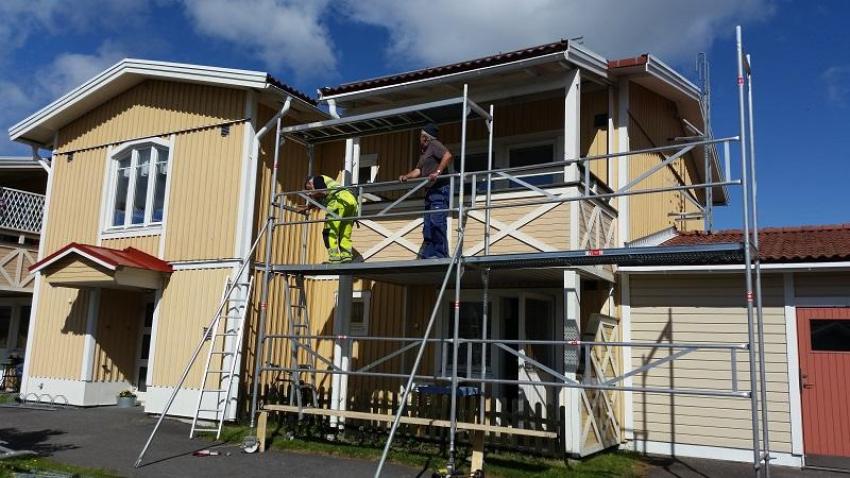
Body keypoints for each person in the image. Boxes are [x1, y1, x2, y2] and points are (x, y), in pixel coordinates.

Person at [399, 123, 454, 259]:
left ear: (425, 137)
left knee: (437, 221)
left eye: (420, 136)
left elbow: (448, 155)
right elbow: (418, 170)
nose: (419, 139)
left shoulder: (434, 144)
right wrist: (406, 176)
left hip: (439, 190)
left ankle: (440, 254)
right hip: (430, 192)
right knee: (428, 225)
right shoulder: (424, 153)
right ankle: (429, 255)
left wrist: (438, 172)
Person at [298, 174, 358, 263]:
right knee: (344, 231)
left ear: (310, 183)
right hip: (350, 202)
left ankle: (334, 258)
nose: (311, 191)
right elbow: (321, 197)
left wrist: (310, 193)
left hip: (337, 203)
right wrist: (307, 208)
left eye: (310, 188)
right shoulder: (328, 183)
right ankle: (346, 257)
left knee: (329, 232)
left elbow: (323, 192)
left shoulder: (316, 179)